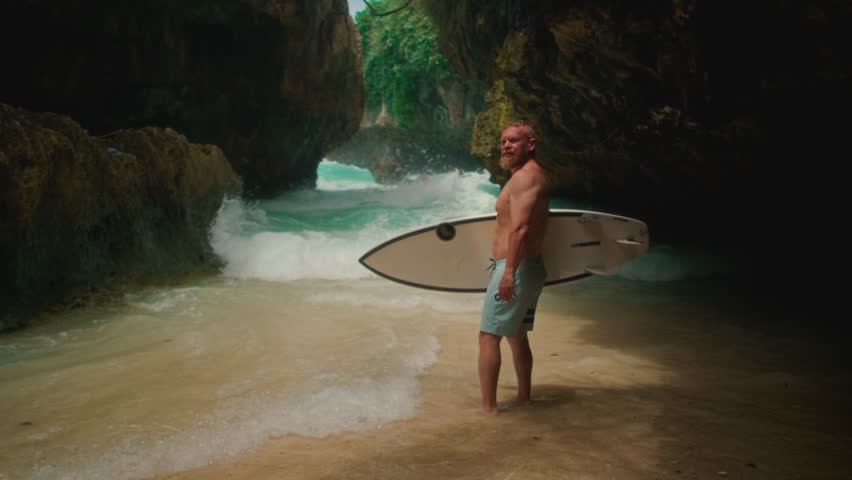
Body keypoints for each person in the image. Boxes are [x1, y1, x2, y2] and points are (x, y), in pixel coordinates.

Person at [479, 121, 550, 416]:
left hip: (514, 267)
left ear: (530, 144)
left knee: (488, 335)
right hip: (527, 267)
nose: (506, 146)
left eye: (514, 141)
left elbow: (519, 230)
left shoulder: (525, 179)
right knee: (517, 334)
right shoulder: (526, 177)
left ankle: (488, 409)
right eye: (503, 141)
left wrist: (508, 274)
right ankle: (524, 398)